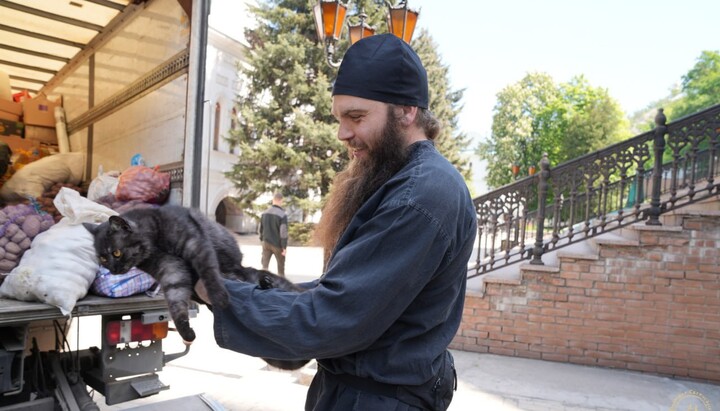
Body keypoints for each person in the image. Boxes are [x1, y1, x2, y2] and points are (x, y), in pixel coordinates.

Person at [197, 33, 477, 411]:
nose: (343, 133)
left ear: (407, 111)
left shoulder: (420, 196)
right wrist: (242, 282)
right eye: (339, 118)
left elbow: (330, 318)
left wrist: (211, 288)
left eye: (356, 117)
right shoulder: (404, 180)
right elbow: (339, 289)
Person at [259, 192, 288, 276]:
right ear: (281, 200)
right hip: (277, 245)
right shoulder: (282, 215)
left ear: (273, 200)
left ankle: (263, 284)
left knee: (264, 266)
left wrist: (262, 240)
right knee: (280, 268)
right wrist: (284, 246)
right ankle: (281, 285)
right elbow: (283, 232)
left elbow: (260, 228)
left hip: (266, 243)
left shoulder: (265, 213)